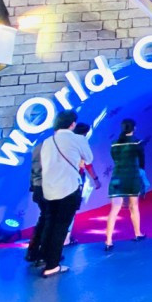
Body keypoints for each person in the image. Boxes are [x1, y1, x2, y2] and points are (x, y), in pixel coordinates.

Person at [40, 110, 100, 277]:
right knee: (61, 227)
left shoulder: (48, 141)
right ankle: (52, 265)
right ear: (72, 124)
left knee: (50, 224)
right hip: (68, 188)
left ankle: (44, 257)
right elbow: (88, 159)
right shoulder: (78, 139)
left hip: (49, 189)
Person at [105, 119, 146, 251]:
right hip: (132, 177)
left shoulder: (114, 144)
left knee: (114, 209)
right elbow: (142, 161)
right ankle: (138, 233)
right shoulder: (137, 142)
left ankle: (108, 241)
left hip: (116, 177)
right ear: (134, 128)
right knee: (134, 206)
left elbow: (114, 159)